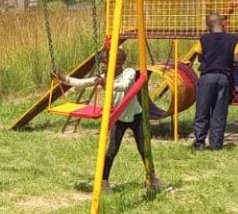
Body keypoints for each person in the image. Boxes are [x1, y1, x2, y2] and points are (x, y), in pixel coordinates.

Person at [55, 45, 161, 192]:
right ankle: (104, 181)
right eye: (103, 62)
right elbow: (82, 83)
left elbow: (124, 86)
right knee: (111, 150)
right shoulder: (104, 77)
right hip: (118, 117)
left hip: (136, 116)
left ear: (117, 63)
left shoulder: (128, 73)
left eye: (105, 62)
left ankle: (152, 178)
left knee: (143, 149)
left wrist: (106, 83)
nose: (103, 65)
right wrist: (64, 78)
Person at [189, 13, 238, 150]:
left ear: (208, 26)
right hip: (223, 77)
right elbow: (236, 59)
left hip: (207, 76)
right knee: (219, 112)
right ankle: (216, 144)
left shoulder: (203, 39)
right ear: (222, 23)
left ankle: (199, 142)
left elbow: (199, 57)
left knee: (202, 110)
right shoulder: (232, 39)